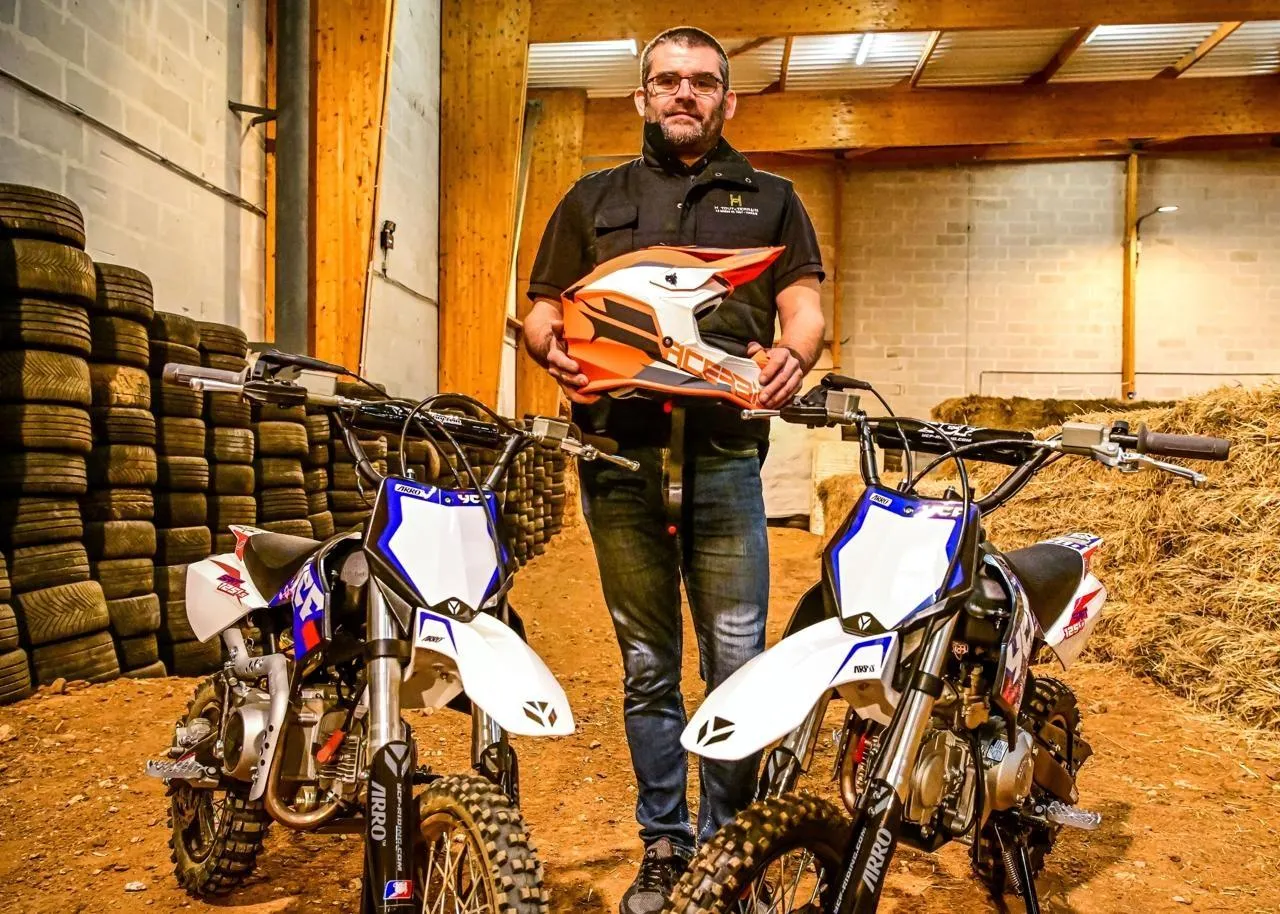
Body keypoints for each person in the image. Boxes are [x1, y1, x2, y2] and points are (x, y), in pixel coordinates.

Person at [522, 26, 826, 914]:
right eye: (666, 81)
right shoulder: (592, 198)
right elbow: (543, 310)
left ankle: (730, 854)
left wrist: (794, 356)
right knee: (648, 663)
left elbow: (804, 306)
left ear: (727, 99)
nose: (683, 93)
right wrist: (548, 347)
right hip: (619, 455)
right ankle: (665, 845)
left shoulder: (771, 200)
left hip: (726, 457)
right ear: (642, 97)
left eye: (701, 81)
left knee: (737, 661)